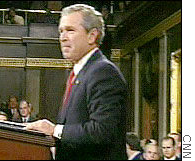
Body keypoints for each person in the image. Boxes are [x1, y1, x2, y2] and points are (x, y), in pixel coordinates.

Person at [25, 4, 128, 160]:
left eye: (70, 30)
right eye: (61, 31)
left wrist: (55, 130)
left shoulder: (103, 72)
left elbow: (102, 131)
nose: (63, 37)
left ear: (92, 36)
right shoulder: (81, 72)